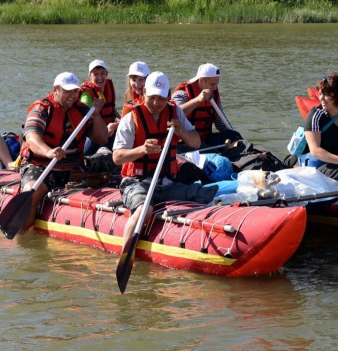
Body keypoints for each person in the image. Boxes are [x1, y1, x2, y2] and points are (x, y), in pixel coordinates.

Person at [113, 71, 216, 243]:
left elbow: (196, 143)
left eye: (161, 98)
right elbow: (117, 157)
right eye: (152, 97)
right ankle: (125, 255)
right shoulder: (131, 117)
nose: (155, 103)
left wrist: (181, 130)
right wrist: (142, 150)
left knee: (205, 194)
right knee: (143, 210)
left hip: (166, 183)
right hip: (136, 182)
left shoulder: (175, 112)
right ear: (144, 92)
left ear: (168, 96)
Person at [18, 72, 108, 232]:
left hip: (74, 168)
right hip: (43, 167)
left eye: (75, 91)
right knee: (32, 192)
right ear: (55, 90)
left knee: (109, 159)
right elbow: (32, 138)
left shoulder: (82, 110)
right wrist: (49, 152)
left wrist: (96, 114)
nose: (72, 95)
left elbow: (102, 139)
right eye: (67, 91)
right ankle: (25, 235)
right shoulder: (42, 109)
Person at [171, 63, 242, 149]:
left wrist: (233, 137)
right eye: (212, 84)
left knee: (233, 135)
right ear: (201, 80)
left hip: (205, 141)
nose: (215, 88)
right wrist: (198, 100)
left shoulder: (213, 96)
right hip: (184, 143)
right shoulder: (182, 94)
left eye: (216, 84)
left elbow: (221, 125)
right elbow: (175, 115)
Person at [80, 59, 119, 150]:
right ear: (89, 76)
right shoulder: (86, 94)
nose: (100, 77)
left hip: (111, 130)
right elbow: (86, 115)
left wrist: (119, 122)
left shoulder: (109, 87)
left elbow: (111, 109)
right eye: (96, 74)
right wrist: (104, 129)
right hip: (93, 133)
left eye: (102, 73)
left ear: (107, 74)